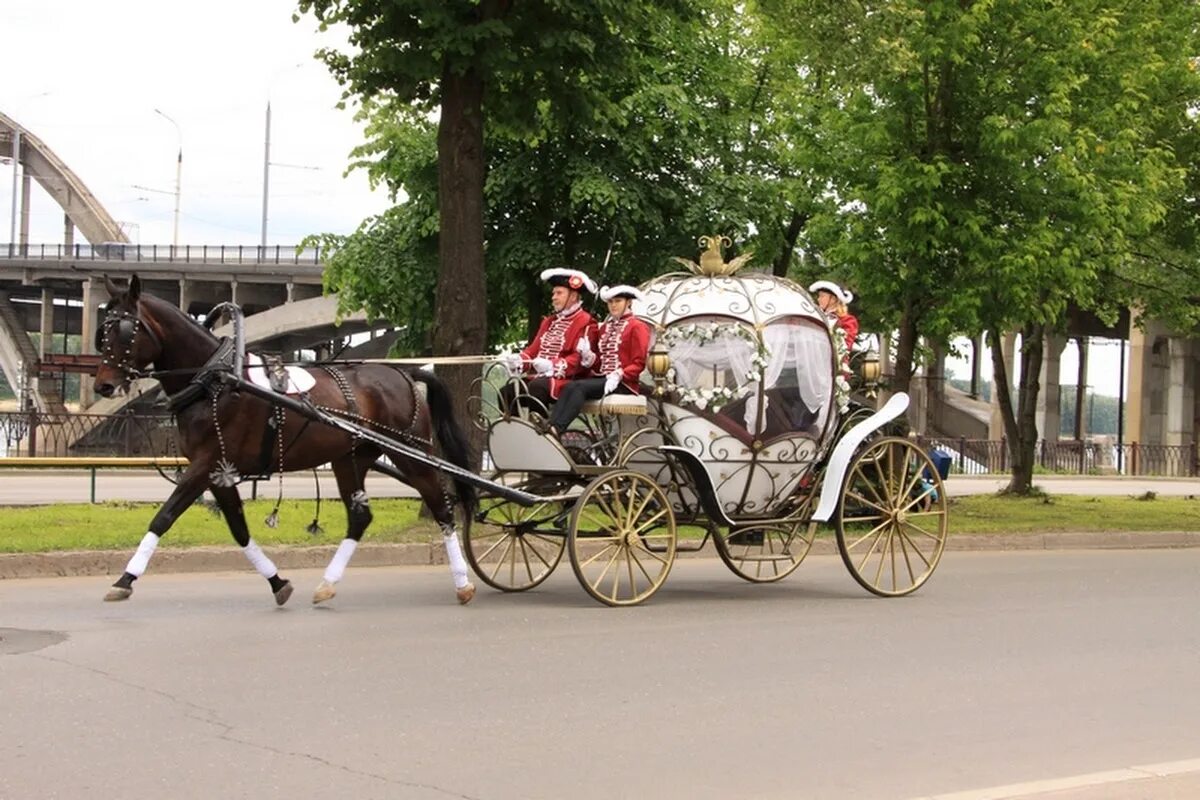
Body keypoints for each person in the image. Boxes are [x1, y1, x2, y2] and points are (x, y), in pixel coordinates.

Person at [545, 285, 651, 437]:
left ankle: (557, 429)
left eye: (618, 301)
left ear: (628, 302)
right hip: (603, 380)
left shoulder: (637, 326)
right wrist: (589, 356)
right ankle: (551, 425)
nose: (613, 305)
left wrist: (620, 374)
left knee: (579, 387)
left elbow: (639, 362)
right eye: (610, 302)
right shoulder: (605, 328)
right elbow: (600, 364)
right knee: (570, 386)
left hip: (624, 383)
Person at [499, 267, 597, 415]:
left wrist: (552, 365)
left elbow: (579, 361)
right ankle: (515, 431)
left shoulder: (586, 321)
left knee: (536, 388)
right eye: (553, 293)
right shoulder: (549, 321)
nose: (554, 297)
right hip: (540, 379)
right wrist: (520, 360)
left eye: (559, 293)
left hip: (567, 380)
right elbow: (533, 350)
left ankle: (543, 430)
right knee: (506, 392)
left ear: (573, 296)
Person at [808, 279, 859, 351]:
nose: (818, 299)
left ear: (833, 299)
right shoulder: (816, 316)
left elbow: (845, 347)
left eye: (822, 296)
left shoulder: (848, 320)